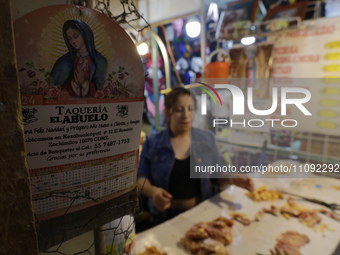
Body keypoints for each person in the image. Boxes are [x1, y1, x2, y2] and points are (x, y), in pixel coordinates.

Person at [137, 86, 254, 225]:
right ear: (167, 111)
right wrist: (153, 192)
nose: (186, 115)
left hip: (201, 214)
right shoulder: (152, 143)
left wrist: (231, 178)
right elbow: (140, 178)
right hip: (164, 219)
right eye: (179, 109)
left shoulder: (206, 139)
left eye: (190, 109)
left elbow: (216, 173)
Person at [51, 20, 107, 97]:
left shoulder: (100, 61)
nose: (73, 41)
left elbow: (102, 88)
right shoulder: (64, 62)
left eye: (76, 36)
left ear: (85, 35)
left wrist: (84, 84)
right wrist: (75, 84)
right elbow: (53, 87)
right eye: (69, 38)